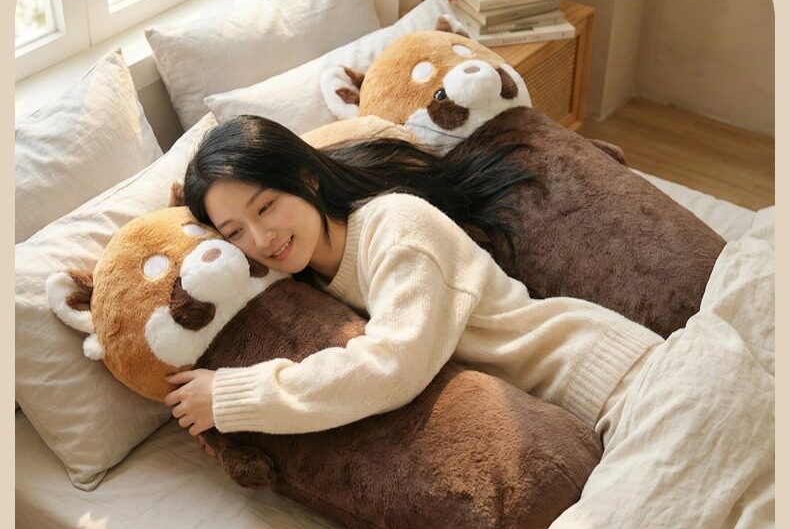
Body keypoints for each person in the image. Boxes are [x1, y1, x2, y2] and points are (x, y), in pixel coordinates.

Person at [165, 114, 662, 451]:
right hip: (581, 423)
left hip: (616, 381)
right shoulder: (305, 272)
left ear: (307, 178)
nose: (261, 238)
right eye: (235, 232)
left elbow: (392, 368)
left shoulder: (396, 227)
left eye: (267, 206)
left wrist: (232, 398)